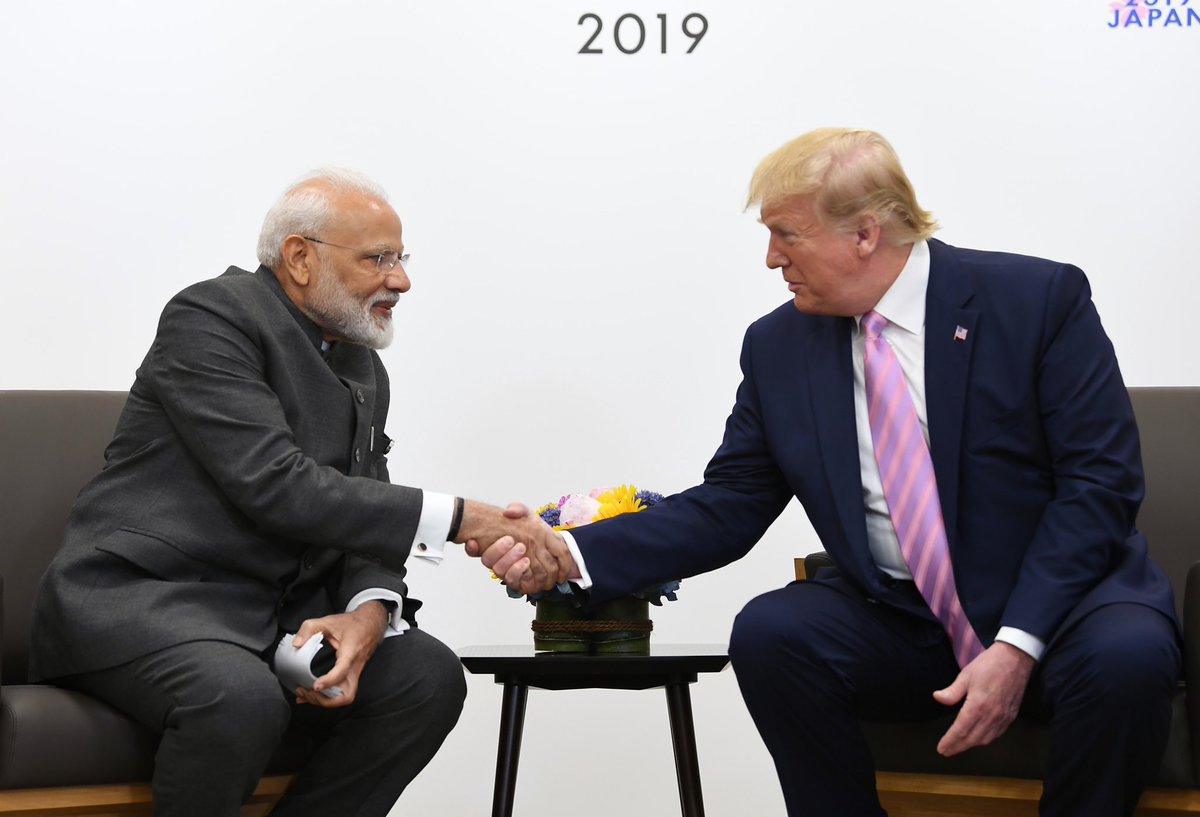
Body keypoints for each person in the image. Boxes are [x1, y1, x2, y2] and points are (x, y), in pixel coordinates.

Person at [473, 129, 1182, 817]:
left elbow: (1100, 485)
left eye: (787, 234)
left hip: (1063, 608)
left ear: (865, 233)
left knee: (1128, 659)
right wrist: (569, 551)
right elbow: (732, 502)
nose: (771, 259)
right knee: (774, 633)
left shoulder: (1036, 301)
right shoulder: (779, 344)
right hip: (905, 619)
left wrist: (1017, 642)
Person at [30, 169, 569, 817]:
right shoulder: (212, 317)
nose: (401, 280)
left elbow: (365, 502)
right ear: (299, 257)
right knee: (240, 698)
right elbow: (278, 485)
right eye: (378, 258)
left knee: (426, 676)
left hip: (273, 622)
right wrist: (464, 518)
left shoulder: (360, 362)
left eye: (401, 258)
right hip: (146, 601)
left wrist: (368, 614)